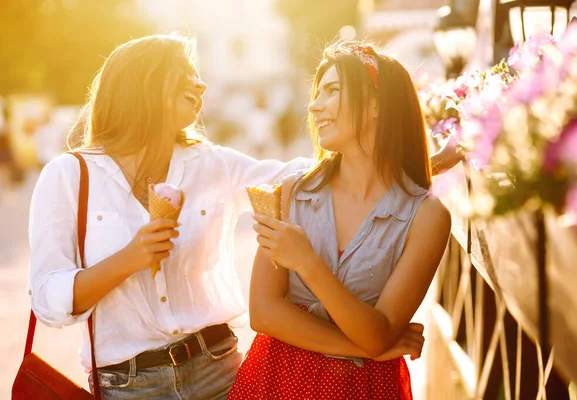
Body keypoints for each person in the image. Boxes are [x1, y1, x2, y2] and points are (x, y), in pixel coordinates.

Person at [29, 34, 457, 399]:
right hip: (129, 385)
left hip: (221, 371)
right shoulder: (70, 176)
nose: (200, 81)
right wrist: (128, 259)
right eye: (184, 70)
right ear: (142, 81)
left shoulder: (211, 164)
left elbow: (317, 178)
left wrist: (425, 161)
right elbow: (48, 300)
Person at [228, 42, 452, 399]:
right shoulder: (290, 193)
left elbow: (379, 334)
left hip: (365, 389)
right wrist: (367, 350)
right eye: (316, 94)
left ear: (378, 104)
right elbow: (263, 312)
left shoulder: (427, 217)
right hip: (276, 381)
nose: (314, 106)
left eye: (332, 91)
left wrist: (306, 261)